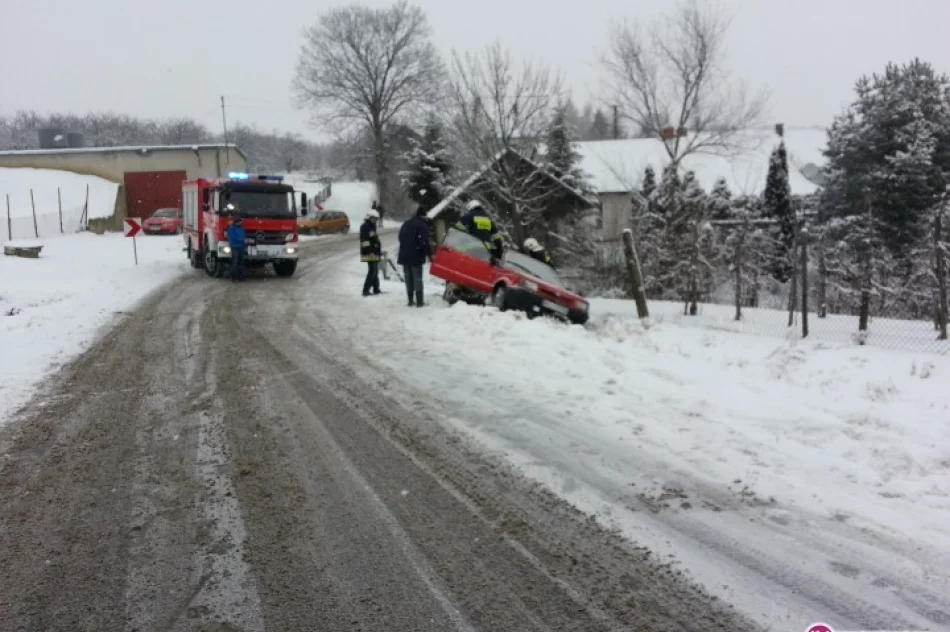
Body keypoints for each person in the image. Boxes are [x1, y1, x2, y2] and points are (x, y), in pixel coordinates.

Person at [398, 206, 432, 307]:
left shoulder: (405, 224)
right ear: (424, 216)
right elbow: (424, 243)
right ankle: (420, 302)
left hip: (404, 256)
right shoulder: (422, 225)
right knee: (417, 278)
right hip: (416, 256)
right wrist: (429, 254)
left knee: (408, 278)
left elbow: (400, 238)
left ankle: (410, 301)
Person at [360, 209, 382, 296]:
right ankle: (365, 290)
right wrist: (370, 251)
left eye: (376, 219)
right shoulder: (365, 226)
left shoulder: (372, 226)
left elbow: (374, 239)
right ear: (369, 217)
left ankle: (376, 289)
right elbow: (365, 241)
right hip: (369, 252)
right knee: (372, 271)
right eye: (374, 218)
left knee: (375, 271)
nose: (375, 220)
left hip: (374, 251)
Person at [226, 215, 247, 281]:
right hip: (235, 247)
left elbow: (242, 236)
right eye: (240, 221)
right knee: (235, 262)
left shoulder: (241, 228)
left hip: (241, 247)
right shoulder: (231, 228)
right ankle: (234, 276)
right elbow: (233, 238)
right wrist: (243, 240)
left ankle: (240, 276)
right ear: (237, 222)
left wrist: (245, 241)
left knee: (240, 262)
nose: (241, 223)